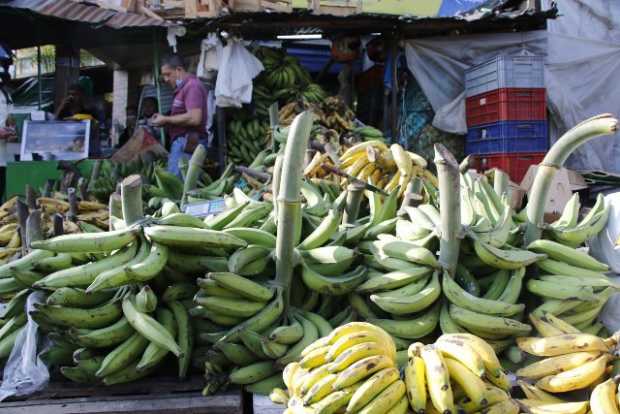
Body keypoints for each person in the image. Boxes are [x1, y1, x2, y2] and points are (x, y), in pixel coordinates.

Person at [150, 54, 209, 176]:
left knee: (179, 187)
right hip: (182, 144)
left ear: (179, 70)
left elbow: (194, 118)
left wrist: (166, 119)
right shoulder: (182, 89)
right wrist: (164, 121)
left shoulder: (192, 86)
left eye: (168, 74)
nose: (165, 79)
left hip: (187, 144)